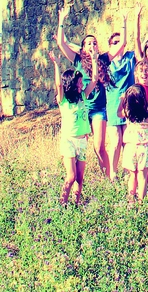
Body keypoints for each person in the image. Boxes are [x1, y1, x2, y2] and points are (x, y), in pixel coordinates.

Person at [55, 6, 110, 177]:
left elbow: (95, 79)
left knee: (99, 146)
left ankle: (109, 179)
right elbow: (61, 43)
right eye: (88, 43)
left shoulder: (102, 59)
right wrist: (62, 20)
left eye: (94, 43)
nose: (92, 45)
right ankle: (78, 180)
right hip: (83, 109)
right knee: (81, 147)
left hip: (99, 108)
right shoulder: (77, 60)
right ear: (83, 47)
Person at [48, 47, 98, 206]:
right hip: (69, 141)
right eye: (79, 81)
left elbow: (95, 79)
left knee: (79, 178)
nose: (82, 84)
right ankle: (62, 204)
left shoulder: (83, 96)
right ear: (72, 83)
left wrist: (95, 60)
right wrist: (56, 64)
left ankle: (75, 205)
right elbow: (59, 86)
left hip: (82, 141)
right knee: (70, 177)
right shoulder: (63, 101)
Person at [104, 13, 136, 182]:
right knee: (115, 141)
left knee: (128, 141)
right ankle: (112, 174)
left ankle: (129, 173)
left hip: (129, 106)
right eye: (114, 43)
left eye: (120, 42)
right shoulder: (106, 61)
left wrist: (126, 21)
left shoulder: (130, 58)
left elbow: (142, 41)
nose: (118, 45)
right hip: (112, 105)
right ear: (109, 46)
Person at [118, 84, 148, 206]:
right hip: (144, 148)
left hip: (130, 147)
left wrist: (121, 100)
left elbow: (118, 113)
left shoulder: (128, 113)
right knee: (142, 177)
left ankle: (130, 201)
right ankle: (141, 203)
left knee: (132, 176)